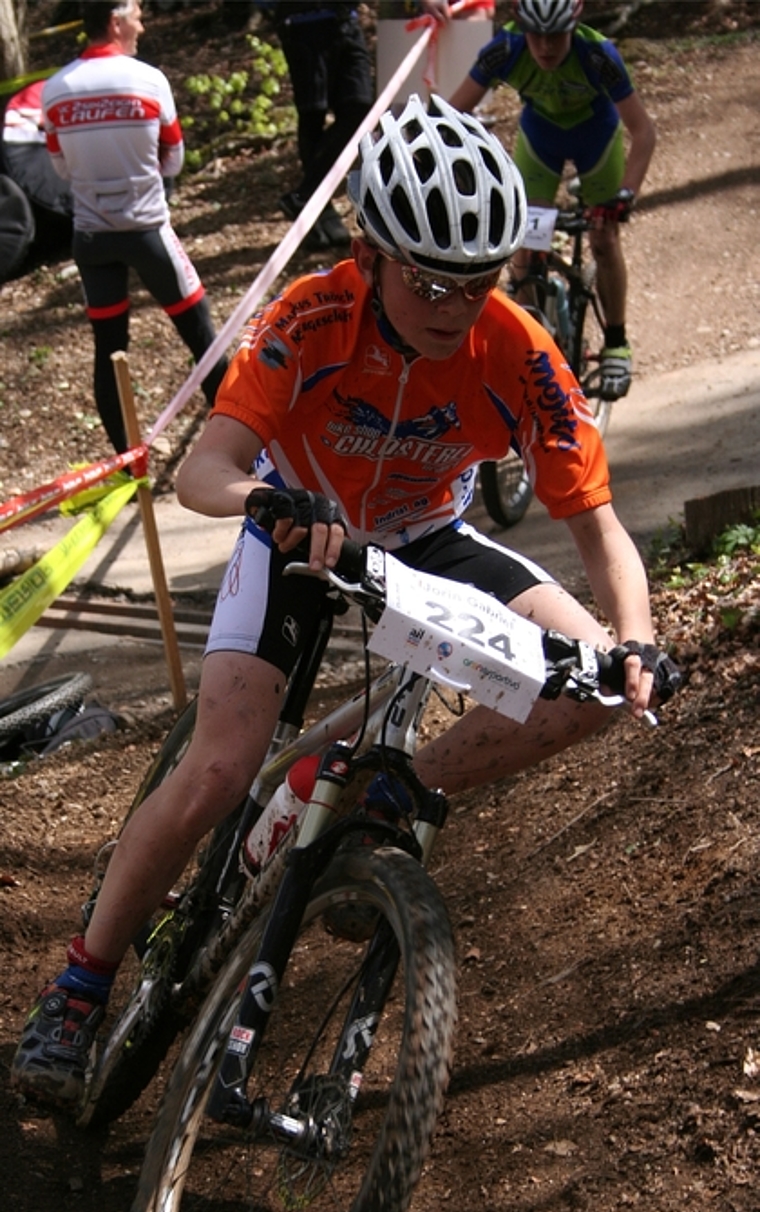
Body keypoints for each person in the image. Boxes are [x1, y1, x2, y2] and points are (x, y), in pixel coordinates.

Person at [11, 94, 678, 1110]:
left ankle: (397, 788)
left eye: (478, 280)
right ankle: (80, 986)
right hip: (295, 531)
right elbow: (204, 474)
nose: (454, 305)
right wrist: (274, 498)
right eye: (428, 279)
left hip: (427, 539)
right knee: (221, 766)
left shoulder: (518, 351)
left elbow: (599, 527)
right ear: (369, 252)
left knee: (593, 683)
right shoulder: (311, 317)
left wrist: (635, 640)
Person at [40, 0, 227, 457]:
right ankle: (237, 446)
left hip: (91, 237)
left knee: (109, 347)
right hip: (147, 230)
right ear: (116, 20)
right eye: (138, 15)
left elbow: (60, 167)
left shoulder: (55, 89)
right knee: (201, 333)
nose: (143, 24)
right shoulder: (149, 79)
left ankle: (125, 460)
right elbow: (174, 158)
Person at [448, 0, 656, 401]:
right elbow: (451, 115)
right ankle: (524, 344)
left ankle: (616, 343)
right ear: (520, 27)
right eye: (536, 35)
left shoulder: (597, 54)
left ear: (574, 25)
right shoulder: (505, 48)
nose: (544, 46)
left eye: (555, 34)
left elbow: (643, 132)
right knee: (526, 243)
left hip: (598, 140)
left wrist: (626, 194)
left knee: (603, 238)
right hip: (540, 140)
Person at [273, 2, 374, 251]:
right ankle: (319, 212)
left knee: (359, 108)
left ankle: (306, 195)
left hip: (345, 21)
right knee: (312, 114)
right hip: (301, 22)